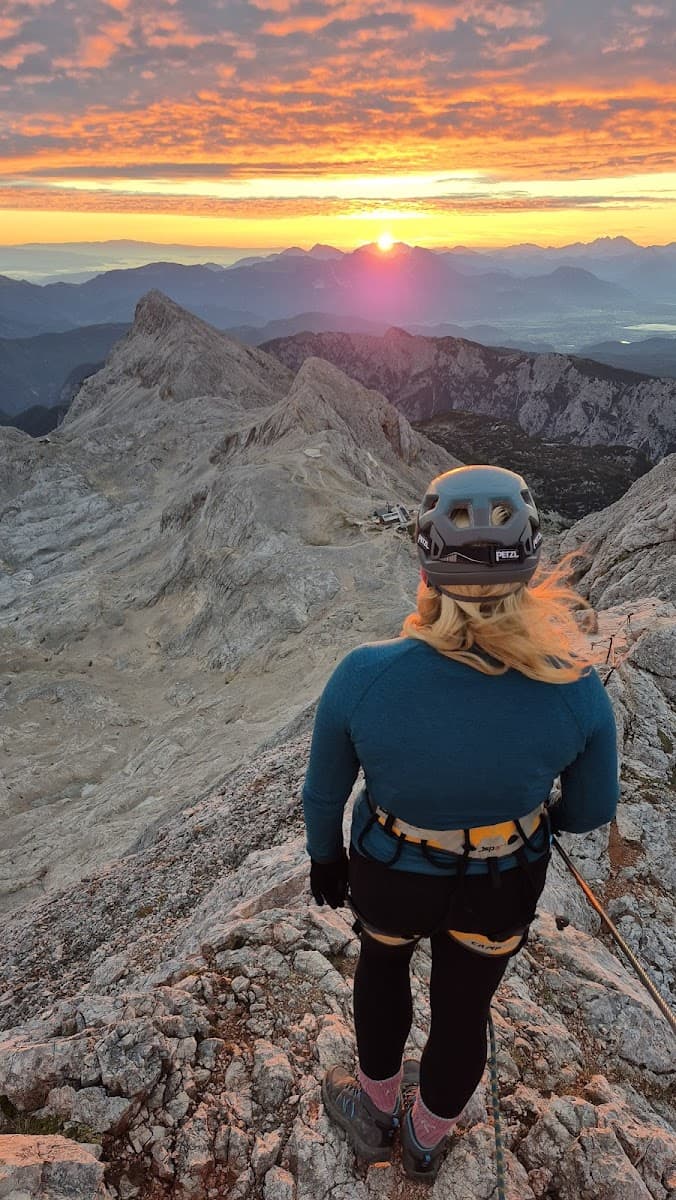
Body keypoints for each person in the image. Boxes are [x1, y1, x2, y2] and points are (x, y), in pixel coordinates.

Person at [302, 465, 619, 1182]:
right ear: (530, 561)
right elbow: (593, 810)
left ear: (426, 559)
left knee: (382, 967)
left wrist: (327, 859)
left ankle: (376, 1108)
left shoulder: (363, 675)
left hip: (391, 872)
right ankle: (423, 1140)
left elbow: (323, 794)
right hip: (503, 879)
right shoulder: (573, 682)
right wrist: (540, 810)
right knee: (464, 1005)